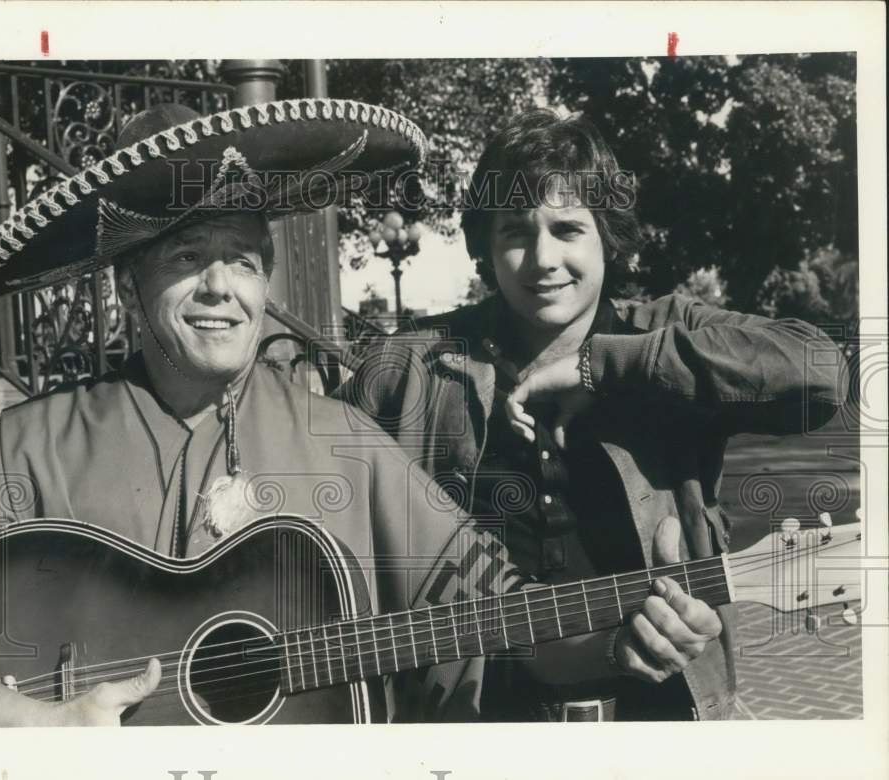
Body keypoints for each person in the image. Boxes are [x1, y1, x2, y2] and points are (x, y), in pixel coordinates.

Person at [0, 100, 488, 726]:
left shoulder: (347, 443)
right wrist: (36, 726)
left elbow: (501, 610)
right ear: (128, 288)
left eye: (243, 260)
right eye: (187, 257)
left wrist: (608, 634)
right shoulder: (29, 447)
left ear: (265, 282)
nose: (220, 286)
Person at [338, 108, 845, 721]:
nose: (543, 258)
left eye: (568, 229)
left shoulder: (666, 332)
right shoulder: (412, 364)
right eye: (516, 233)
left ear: (608, 235)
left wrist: (601, 367)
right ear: (485, 246)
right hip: (471, 722)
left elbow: (821, 371)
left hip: (665, 709)